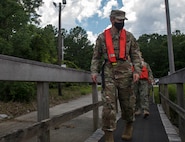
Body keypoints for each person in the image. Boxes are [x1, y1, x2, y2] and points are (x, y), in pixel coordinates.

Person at [90, 9, 142, 142]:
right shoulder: (102, 38)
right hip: (109, 72)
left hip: (126, 73)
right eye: (119, 20)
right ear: (112, 20)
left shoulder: (129, 37)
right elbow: (96, 57)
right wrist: (94, 71)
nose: (121, 23)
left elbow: (136, 55)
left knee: (128, 104)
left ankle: (129, 125)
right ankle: (108, 135)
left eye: (123, 21)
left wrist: (137, 71)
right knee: (108, 105)